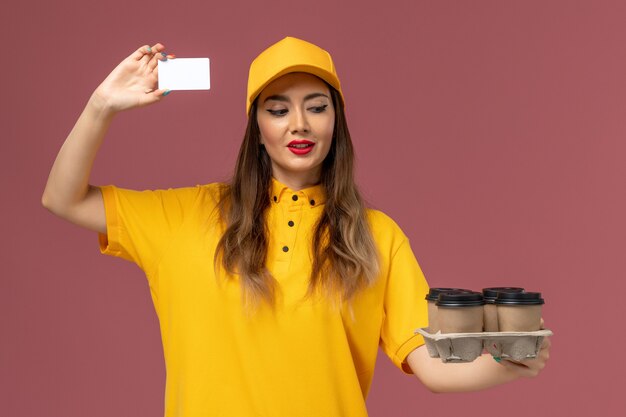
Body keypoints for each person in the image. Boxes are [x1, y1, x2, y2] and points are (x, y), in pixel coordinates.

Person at [42, 37, 550, 416]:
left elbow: (434, 369)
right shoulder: (186, 215)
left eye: (317, 107)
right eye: (278, 109)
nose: (298, 125)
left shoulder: (376, 236)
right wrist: (101, 106)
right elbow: (61, 198)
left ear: (337, 122)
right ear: (257, 130)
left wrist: (514, 362)